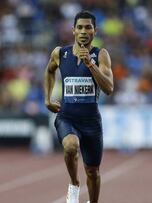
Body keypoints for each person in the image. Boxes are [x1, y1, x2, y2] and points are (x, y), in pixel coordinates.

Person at [44, 10, 113, 203]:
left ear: (95, 31)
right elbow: (49, 71)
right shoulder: (60, 53)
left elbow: (108, 88)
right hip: (67, 117)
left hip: (91, 121)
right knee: (71, 146)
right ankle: (74, 183)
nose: (84, 31)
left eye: (88, 27)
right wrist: (47, 99)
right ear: (73, 30)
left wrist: (90, 64)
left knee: (93, 171)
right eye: (80, 27)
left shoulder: (101, 55)